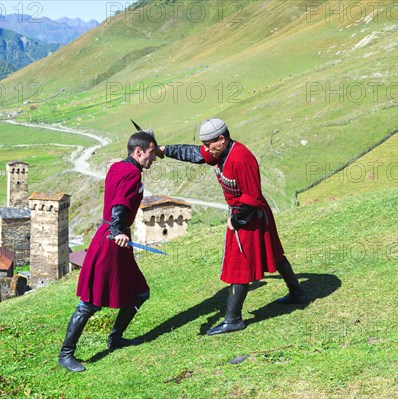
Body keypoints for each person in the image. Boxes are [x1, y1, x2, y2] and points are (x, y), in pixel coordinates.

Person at [159, 118, 307, 336]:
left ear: (221, 139)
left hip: (250, 214)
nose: (207, 149)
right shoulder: (221, 151)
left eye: (209, 144)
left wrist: (236, 220)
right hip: (246, 212)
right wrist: (165, 150)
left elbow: (252, 195)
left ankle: (233, 319)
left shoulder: (240, 158)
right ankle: (297, 293)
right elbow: (197, 155)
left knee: (238, 265)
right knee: (272, 252)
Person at [58, 131, 159, 372]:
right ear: (138, 151)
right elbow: (120, 203)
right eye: (152, 153)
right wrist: (116, 229)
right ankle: (66, 354)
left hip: (116, 238)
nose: (154, 158)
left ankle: (115, 339)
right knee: (90, 303)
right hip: (112, 241)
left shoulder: (118, 167)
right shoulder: (132, 173)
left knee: (140, 292)